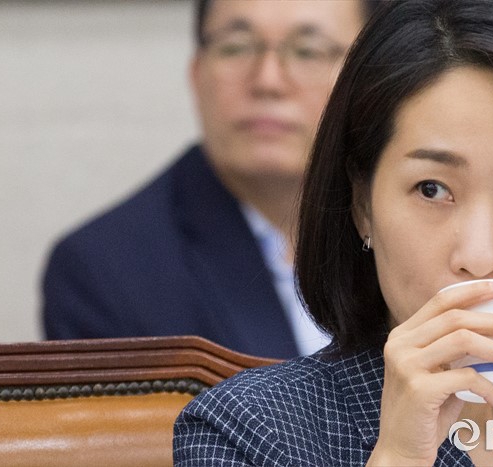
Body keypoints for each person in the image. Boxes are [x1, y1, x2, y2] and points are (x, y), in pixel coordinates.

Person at [173, 0, 493, 465]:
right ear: (362, 205)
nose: (478, 255)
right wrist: (398, 455)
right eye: (432, 189)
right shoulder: (245, 432)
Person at [42, 0, 379, 359]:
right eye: (235, 47)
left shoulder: (413, 216)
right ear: (196, 74)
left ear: (372, 80)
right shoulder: (107, 270)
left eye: (308, 51)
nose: (268, 81)